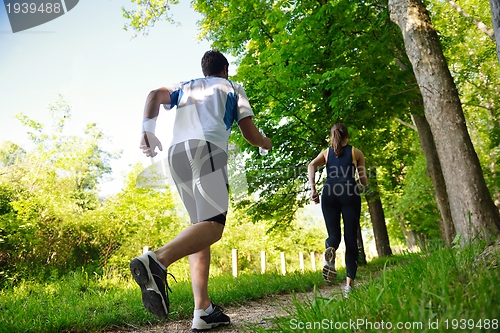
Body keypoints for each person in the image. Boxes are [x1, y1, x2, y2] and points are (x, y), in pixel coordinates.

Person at [130, 50, 272, 331]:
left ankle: (203, 310)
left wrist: (147, 129)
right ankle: (157, 260)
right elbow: (249, 132)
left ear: (204, 69)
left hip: (176, 155)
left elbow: (153, 95)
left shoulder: (184, 86)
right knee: (214, 226)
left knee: (200, 230)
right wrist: (266, 143)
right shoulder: (232, 87)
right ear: (225, 69)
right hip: (207, 149)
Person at [307, 123, 367, 297]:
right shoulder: (356, 152)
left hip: (329, 192)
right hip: (349, 192)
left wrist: (313, 189)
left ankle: (330, 250)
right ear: (347, 135)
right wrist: (363, 180)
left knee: (334, 234)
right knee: (350, 239)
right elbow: (363, 180)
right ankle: (349, 286)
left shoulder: (326, 153)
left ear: (332, 136)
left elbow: (311, 165)